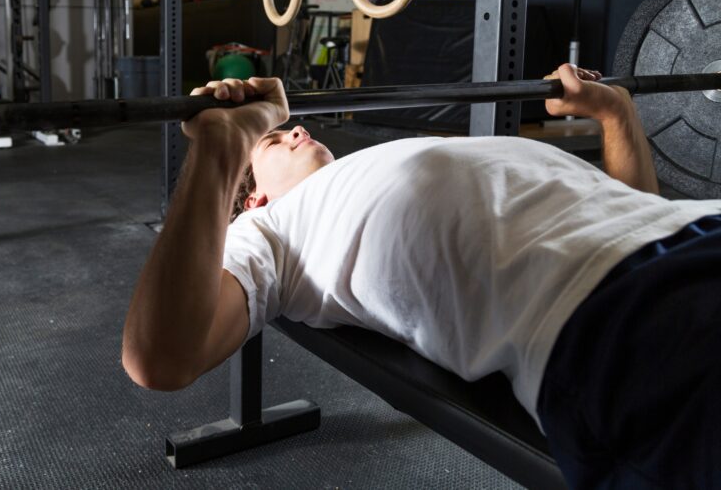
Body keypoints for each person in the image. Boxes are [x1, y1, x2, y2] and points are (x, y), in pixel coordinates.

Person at [121, 64, 721, 489]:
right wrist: (222, 147)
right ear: (252, 198)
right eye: (274, 140)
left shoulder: (367, 166)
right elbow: (160, 359)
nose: (298, 129)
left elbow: (635, 208)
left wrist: (616, 114)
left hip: (691, 229)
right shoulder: (270, 232)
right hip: (619, 319)